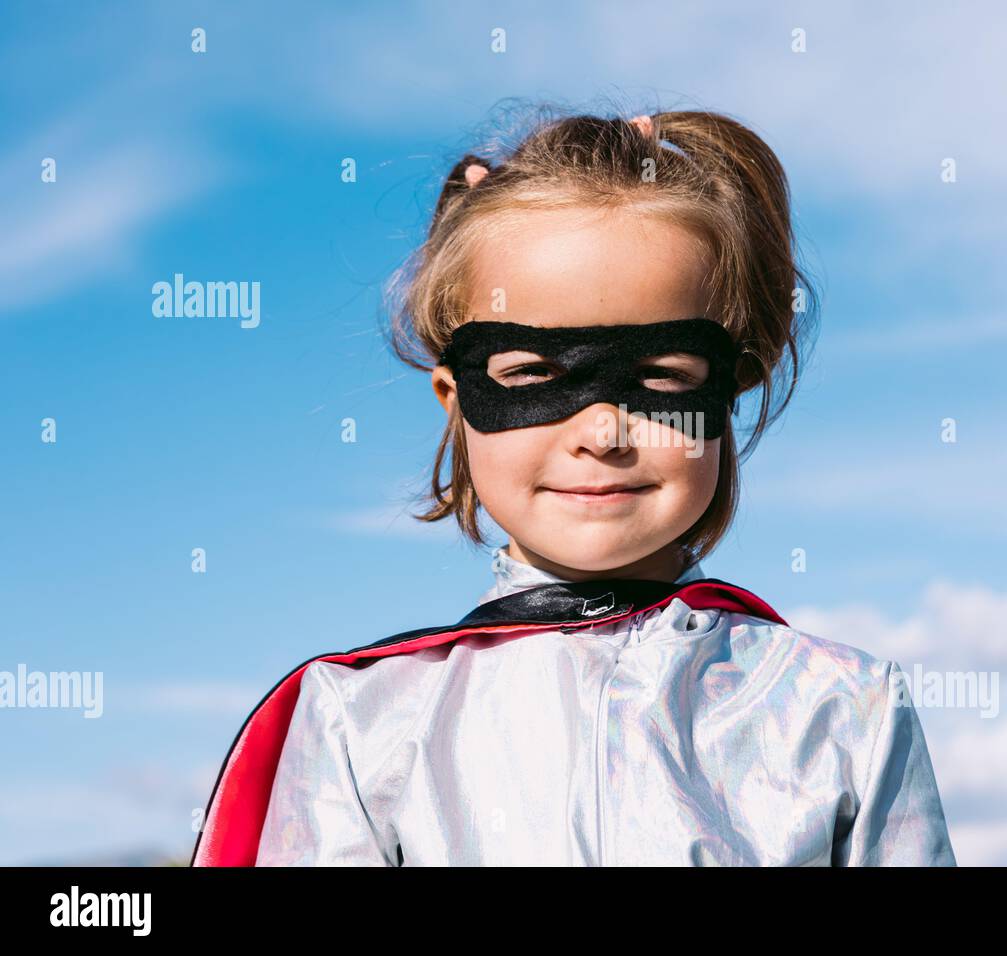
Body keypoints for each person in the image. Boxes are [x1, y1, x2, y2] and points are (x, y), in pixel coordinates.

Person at [192, 106, 956, 867]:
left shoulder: (841, 709)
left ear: (726, 397)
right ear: (458, 405)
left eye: (661, 377)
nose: (600, 435)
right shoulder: (359, 723)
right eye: (530, 375)